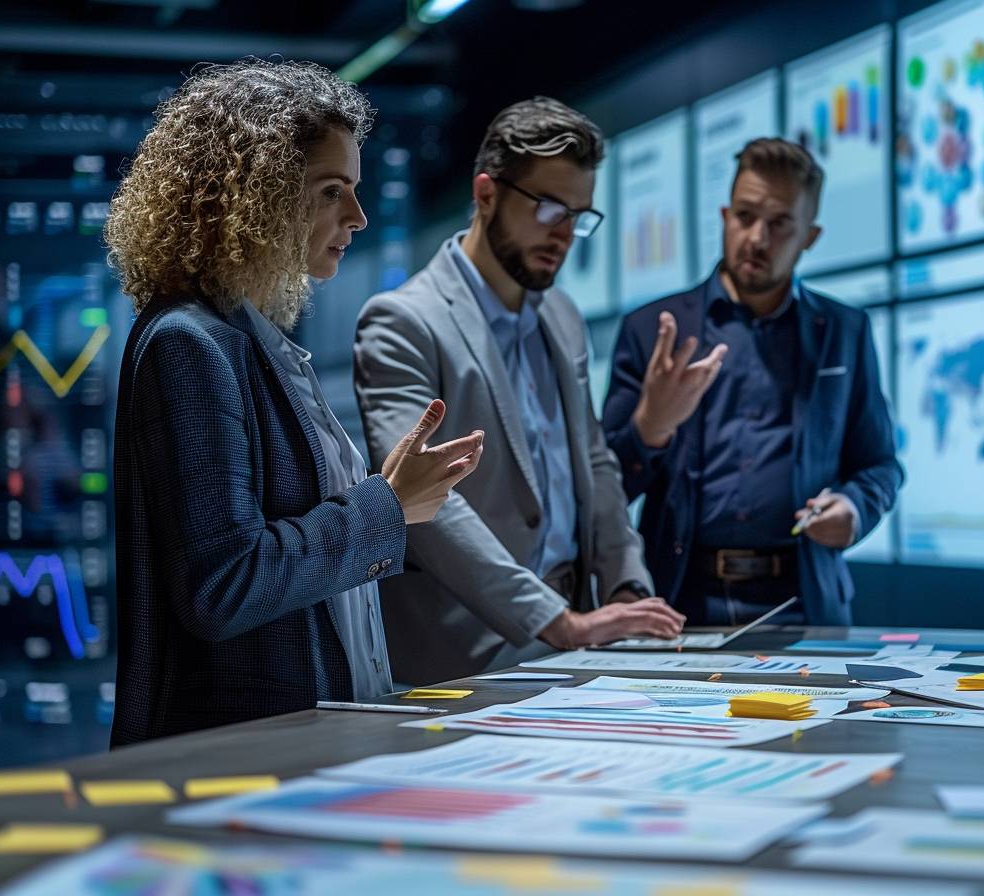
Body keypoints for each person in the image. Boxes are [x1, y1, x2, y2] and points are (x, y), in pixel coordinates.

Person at [104, 60, 483, 746]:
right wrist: (385, 507)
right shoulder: (189, 343)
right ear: (259, 194)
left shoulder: (245, 337)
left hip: (305, 740)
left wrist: (384, 498)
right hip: (241, 756)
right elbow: (224, 583)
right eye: (333, 191)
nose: (358, 217)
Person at [354, 97, 684, 685]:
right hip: (466, 653)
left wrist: (627, 585)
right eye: (550, 208)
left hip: (579, 639)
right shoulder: (403, 320)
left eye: (579, 216)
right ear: (486, 194)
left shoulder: (561, 315)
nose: (565, 235)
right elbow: (422, 500)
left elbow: (595, 463)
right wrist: (554, 620)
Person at [603, 137, 903, 627]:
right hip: (679, 602)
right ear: (724, 216)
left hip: (805, 604)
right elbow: (605, 491)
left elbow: (880, 465)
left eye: (780, 223)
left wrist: (854, 507)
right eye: (745, 216)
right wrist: (649, 429)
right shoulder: (653, 330)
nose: (757, 238)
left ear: (810, 234)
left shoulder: (844, 332)